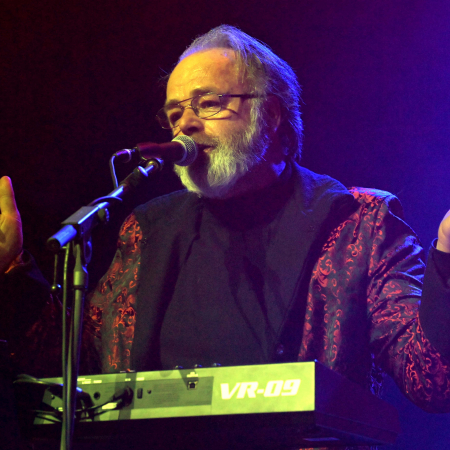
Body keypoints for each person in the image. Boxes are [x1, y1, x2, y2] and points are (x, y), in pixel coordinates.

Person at [1, 25, 450, 417]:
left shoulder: (358, 224)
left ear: (270, 114)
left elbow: (431, 381)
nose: (185, 125)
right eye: (174, 114)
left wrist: (448, 256)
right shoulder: (147, 230)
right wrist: (12, 272)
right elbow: (71, 366)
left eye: (208, 103)